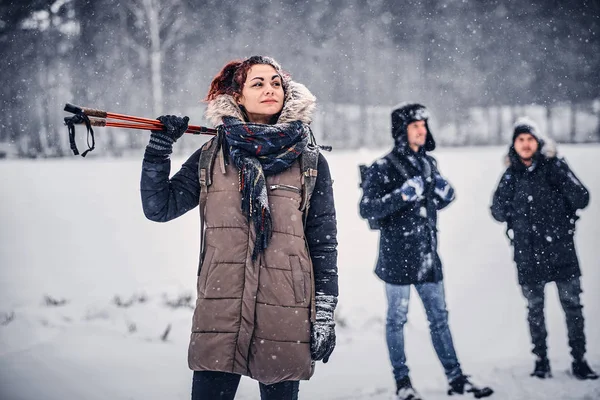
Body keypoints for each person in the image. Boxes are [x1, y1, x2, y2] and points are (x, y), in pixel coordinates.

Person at [140, 55, 339, 399]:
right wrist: (159, 151)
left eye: (276, 82)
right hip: (222, 305)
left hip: (285, 306)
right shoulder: (212, 154)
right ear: (237, 95)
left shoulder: (309, 159)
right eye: (257, 83)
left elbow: (322, 242)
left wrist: (324, 311)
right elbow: (160, 207)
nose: (269, 89)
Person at [359, 103, 493, 400]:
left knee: (439, 318)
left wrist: (446, 195)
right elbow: (366, 209)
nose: (422, 130)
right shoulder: (383, 166)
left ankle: (456, 378)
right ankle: (403, 383)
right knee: (397, 320)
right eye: (416, 125)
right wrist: (402, 194)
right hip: (395, 258)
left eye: (424, 125)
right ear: (401, 131)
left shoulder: (429, 163)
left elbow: (432, 201)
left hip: (429, 256)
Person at [490, 117, 597, 381]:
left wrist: (560, 174)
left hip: (561, 251)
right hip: (527, 255)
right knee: (534, 310)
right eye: (520, 140)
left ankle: (579, 360)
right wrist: (514, 211)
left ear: (538, 143)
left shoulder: (555, 167)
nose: (525, 145)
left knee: (572, 307)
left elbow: (582, 198)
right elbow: (497, 210)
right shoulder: (511, 175)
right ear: (513, 145)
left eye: (530, 139)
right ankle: (541, 361)